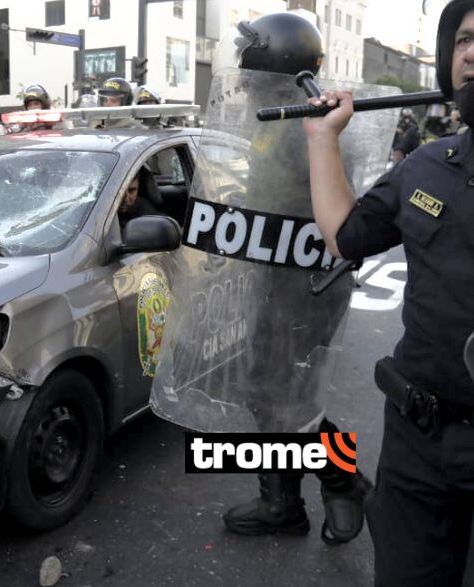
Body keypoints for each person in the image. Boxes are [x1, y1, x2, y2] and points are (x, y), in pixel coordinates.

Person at [304, 0, 474, 583]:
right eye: (464, 41)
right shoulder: (426, 167)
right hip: (418, 442)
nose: (472, 53)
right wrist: (322, 139)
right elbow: (345, 238)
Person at [203, 12, 371, 544]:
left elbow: (335, 211)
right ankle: (282, 503)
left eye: (249, 61)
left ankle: (342, 480)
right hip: (274, 279)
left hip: (310, 286)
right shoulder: (272, 118)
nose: (241, 73)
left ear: (272, 62)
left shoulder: (314, 125)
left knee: (290, 396)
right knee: (265, 393)